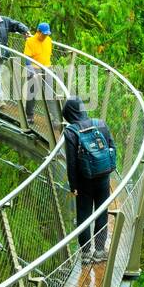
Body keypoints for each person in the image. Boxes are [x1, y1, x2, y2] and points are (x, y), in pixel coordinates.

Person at [62, 96, 118, 265]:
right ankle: (100, 251)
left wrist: (74, 186)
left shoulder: (71, 132)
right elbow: (112, 147)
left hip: (84, 180)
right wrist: (109, 168)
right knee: (102, 212)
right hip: (103, 176)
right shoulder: (100, 123)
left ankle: (85, 253)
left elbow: (71, 163)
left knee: (84, 215)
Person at [22, 22, 53, 122]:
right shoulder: (30, 41)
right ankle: (29, 116)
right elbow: (27, 60)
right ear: (38, 32)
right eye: (44, 34)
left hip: (47, 67)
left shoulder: (48, 40)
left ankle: (54, 118)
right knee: (32, 93)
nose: (45, 36)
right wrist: (32, 72)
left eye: (47, 34)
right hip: (34, 68)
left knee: (50, 93)